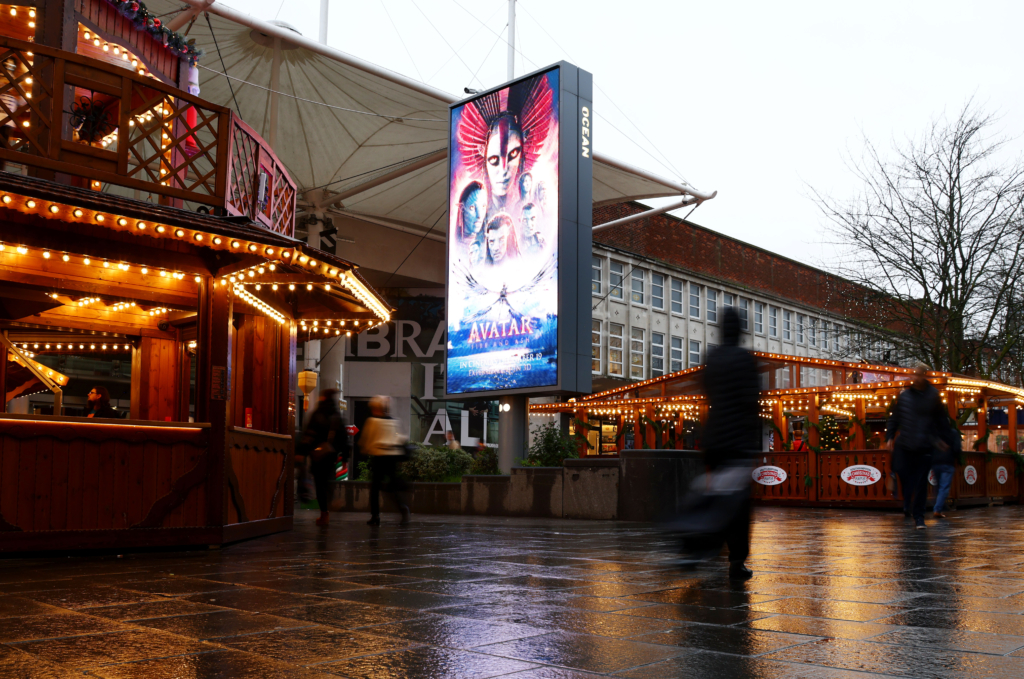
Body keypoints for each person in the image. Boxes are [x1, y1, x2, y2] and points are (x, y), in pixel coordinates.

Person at [684, 307, 761, 580]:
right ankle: (735, 562)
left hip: (714, 440)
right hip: (738, 443)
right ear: (740, 331)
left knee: (714, 496)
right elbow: (752, 402)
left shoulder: (712, 358)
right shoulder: (745, 359)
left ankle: (697, 547)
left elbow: (705, 389)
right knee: (737, 506)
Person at [886, 363, 949, 529]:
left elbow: (941, 419)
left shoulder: (933, 396)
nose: (916, 378)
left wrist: (943, 438)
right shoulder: (904, 396)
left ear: (925, 376)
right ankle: (909, 505)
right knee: (908, 478)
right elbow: (895, 417)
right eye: (915, 374)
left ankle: (919, 517)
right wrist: (890, 436)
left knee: (921, 483)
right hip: (906, 444)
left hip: (925, 445)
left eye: (920, 375)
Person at [298, 389, 347, 527]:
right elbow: (344, 438)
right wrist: (345, 457)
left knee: (320, 484)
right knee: (328, 480)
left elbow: (309, 434)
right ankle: (332, 500)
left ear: (323, 398)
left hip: (317, 455)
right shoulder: (337, 416)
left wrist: (302, 451)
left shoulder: (317, 414)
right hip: (331, 455)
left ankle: (324, 513)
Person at [360, 395, 410, 526]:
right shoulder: (395, 421)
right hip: (393, 456)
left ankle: (375, 515)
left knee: (375, 487)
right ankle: (402, 507)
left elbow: (366, 441)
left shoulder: (372, 421)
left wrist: (365, 450)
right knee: (393, 486)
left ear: (376, 408)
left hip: (379, 457)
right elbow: (401, 438)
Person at [932, 424, 961, 519]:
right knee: (944, 487)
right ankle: (938, 509)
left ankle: (939, 505)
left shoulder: (936, 433)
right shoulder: (953, 433)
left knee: (938, 485)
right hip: (948, 462)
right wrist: (956, 458)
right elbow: (957, 448)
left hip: (935, 462)